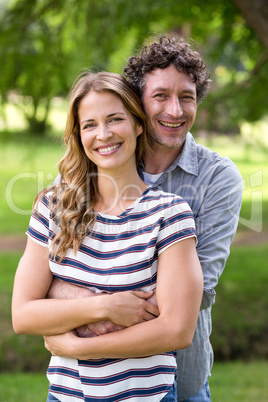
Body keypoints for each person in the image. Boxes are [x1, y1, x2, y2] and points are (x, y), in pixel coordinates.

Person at [48, 34, 243, 401]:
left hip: (175, 384)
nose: (175, 110)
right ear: (137, 103)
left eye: (186, 97)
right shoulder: (92, 163)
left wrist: (76, 326)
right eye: (160, 96)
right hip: (79, 387)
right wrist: (101, 304)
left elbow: (195, 294)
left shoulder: (217, 177)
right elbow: (47, 271)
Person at [12, 71, 204, 402]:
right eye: (89, 125)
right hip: (65, 396)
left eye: (115, 119)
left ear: (138, 124)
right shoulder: (53, 207)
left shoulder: (170, 215)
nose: (103, 134)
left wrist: (79, 346)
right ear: (79, 134)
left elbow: (176, 329)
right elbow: (23, 314)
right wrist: (105, 306)